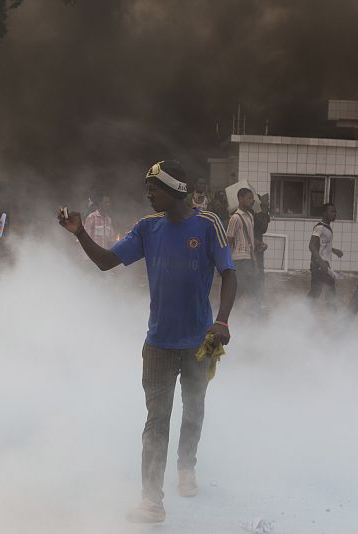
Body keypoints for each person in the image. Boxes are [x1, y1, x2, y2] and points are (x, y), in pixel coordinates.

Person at [58, 160, 237, 524]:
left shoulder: (207, 224)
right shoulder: (146, 228)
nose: (148, 194)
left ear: (174, 191)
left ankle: (186, 466)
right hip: (158, 344)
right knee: (156, 420)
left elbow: (230, 274)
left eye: (153, 188)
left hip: (199, 341)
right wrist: (79, 233)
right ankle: (151, 502)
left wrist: (222, 320)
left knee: (194, 406)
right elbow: (108, 262)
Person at [226, 188, 264, 315]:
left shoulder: (250, 216)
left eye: (252, 198)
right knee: (242, 290)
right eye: (249, 197)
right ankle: (229, 315)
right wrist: (226, 263)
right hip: (239, 260)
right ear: (240, 199)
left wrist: (258, 243)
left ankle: (248, 316)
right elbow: (228, 241)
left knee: (249, 289)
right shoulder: (235, 218)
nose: (252, 200)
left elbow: (249, 237)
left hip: (249, 258)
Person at [307, 203, 342, 310]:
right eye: (331, 211)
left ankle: (304, 313)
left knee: (317, 292)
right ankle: (304, 314)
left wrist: (333, 250)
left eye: (335, 211)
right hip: (320, 266)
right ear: (324, 213)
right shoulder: (319, 227)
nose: (334, 214)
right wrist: (321, 262)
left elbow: (322, 245)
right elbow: (312, 245)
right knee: (325, 293)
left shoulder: (327, 227)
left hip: (324, 265)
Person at [253, 194, 272, 310]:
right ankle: (255, 302)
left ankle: (257, 301)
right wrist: (264, 208)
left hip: (257, 247)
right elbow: (263, 228)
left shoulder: (257, 213)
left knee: (257, 275)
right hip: (253, 248)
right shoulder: (255, 213)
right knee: (256, 274)